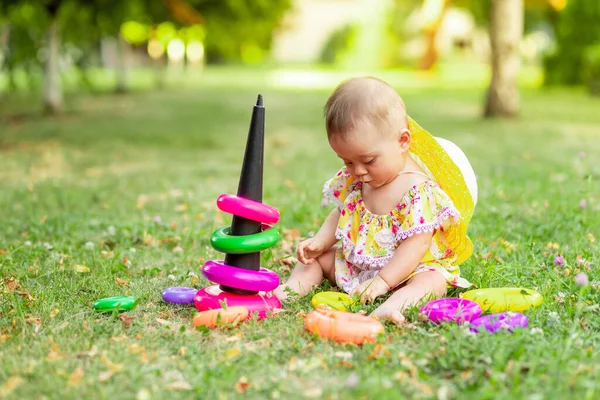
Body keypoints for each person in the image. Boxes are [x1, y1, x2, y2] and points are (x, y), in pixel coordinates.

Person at [274, 77, 478, 323]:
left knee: (432, 281)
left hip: (409, 269)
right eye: (347, 161)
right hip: (358, 267)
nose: (358, 171)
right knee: (316, 258)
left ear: (402, 141)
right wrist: (320, 241)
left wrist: (384, 280)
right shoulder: (358, 180)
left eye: (368, 161)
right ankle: (289, 290)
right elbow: (341, 213)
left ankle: (394, 305)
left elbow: (417, 245)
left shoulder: (417, 189)